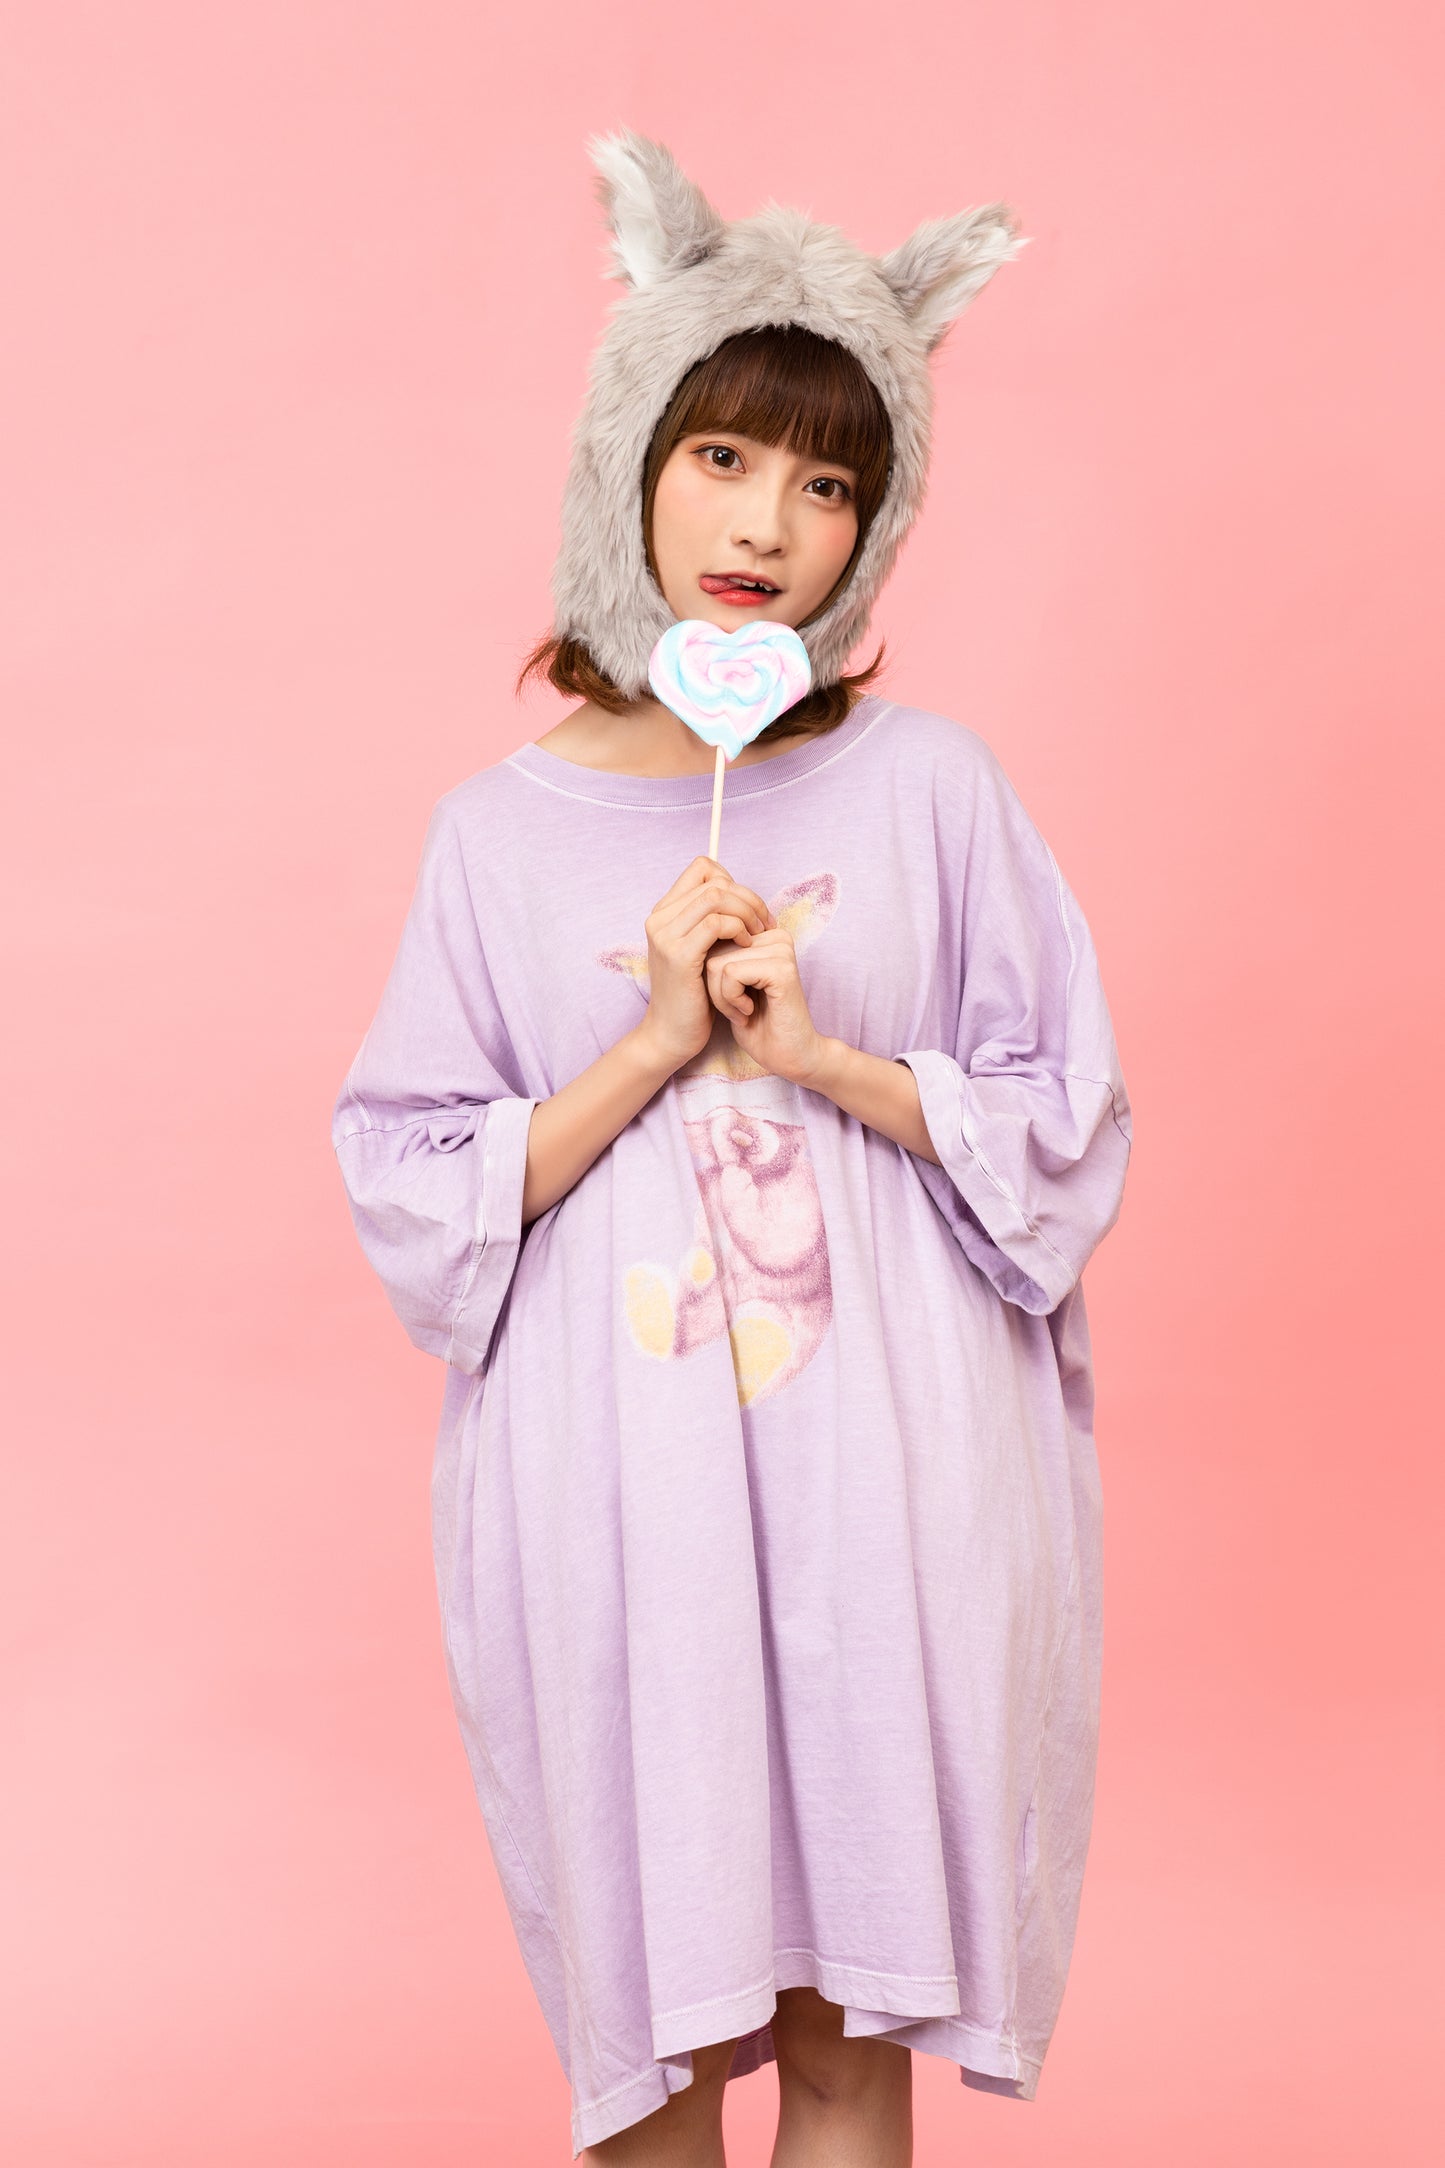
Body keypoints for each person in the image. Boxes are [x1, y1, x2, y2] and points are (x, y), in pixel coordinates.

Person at [331, 128, 1133, 2166]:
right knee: (660, 2060)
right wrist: (652, 1041)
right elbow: (415, 1183)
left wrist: (829, 1054)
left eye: (829, 481)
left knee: (851, 2045)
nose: (768, 522)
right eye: (722, 456)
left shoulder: (934, 790)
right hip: (626, 1499)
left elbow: (1064, 1128)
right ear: (633, 462)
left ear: (874, 522)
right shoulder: (495, 834)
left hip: (888, 1487)